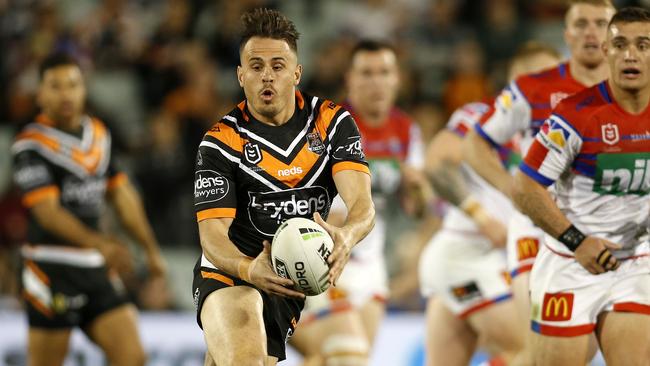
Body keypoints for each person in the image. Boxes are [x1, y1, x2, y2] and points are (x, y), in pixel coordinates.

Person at [191, 8, 375, 365]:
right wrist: (248, 269)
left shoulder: (331, 124)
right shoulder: (221, 142)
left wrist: (347, 236)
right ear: (241, 75)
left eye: (277, 66)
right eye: (256, 67)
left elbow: (362, 204)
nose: (267, 77)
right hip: (232, 271)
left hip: (290, 279)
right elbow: (212, 235)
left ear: (296, 73)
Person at [462, 0, 615, 361]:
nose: (590, 32)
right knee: (540, 353)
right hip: (540, 232)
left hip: (611, 234)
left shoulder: (634, 89)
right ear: (566, 34)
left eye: (599, 23)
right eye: (581, 24)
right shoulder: (534, 87)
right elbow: (474, 143)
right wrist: (511, 189)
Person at [512, 7, 650, 365]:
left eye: (643, 45)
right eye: (620, 44)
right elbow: (526, 186)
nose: (631, 54)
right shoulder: (574, 114)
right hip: (570, 264)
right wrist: (576, 240)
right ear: (606, 51)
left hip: (636, 264)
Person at [11, 53, 167, 366]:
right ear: (40, 93)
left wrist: (150, 252)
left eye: (73, 85)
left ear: (84, 89)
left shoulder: (99, 136)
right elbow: (47, 213)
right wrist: (101, 243)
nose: (66, 94)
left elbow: (124, 197)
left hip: (95, 268)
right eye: (55, 86)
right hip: (50, 268)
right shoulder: (29, 146)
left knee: (133, 358)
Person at [419, 42, 561, 366]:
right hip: (465, 257)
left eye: (555, 77)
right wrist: (481, 217)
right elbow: (437, 162)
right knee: (533, 349)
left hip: (498, 263)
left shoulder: (562, 133)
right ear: (514, 83)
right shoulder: (482, 116)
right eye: (537, 77)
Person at [289, 40, 426, 366]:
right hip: (326, 257)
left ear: (397, 79)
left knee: (331, 359)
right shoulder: (326, 125)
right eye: (366, 73)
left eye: (384, 72)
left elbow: (416, 210)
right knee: (350, 357)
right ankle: (273, 323)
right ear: (349, 79)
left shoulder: (406, 131)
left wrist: (417, 188)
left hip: (371, 266)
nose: (376, 81)